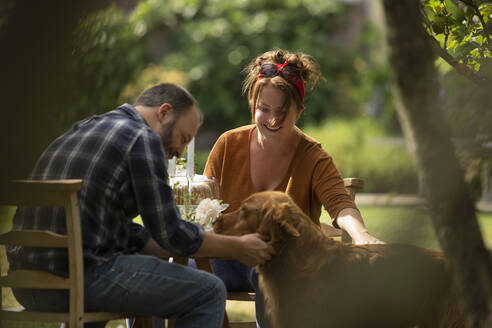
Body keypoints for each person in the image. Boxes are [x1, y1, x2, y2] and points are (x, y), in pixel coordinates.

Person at [6, 83, 275, 328]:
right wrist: (238, 247)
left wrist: (199, 240)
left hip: (27, 284)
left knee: (114, 267)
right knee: (209, 290)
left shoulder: (81, 129)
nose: (180, 152)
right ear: (164, 112)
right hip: (79, 281)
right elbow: (173, 235)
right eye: (183, 137)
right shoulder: (141, 138)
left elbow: (112, 231)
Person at [203, 49, 384, 327]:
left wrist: (362, 235)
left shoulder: (313, 155)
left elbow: (340, 203)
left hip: (283, 262)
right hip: (225, 256)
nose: (272, 119)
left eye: (282, 112)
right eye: (264, 109)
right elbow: (205, 204)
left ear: (299, 111)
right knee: (169, 273)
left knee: (273, 273)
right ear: (252, 103)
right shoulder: (228, 144)